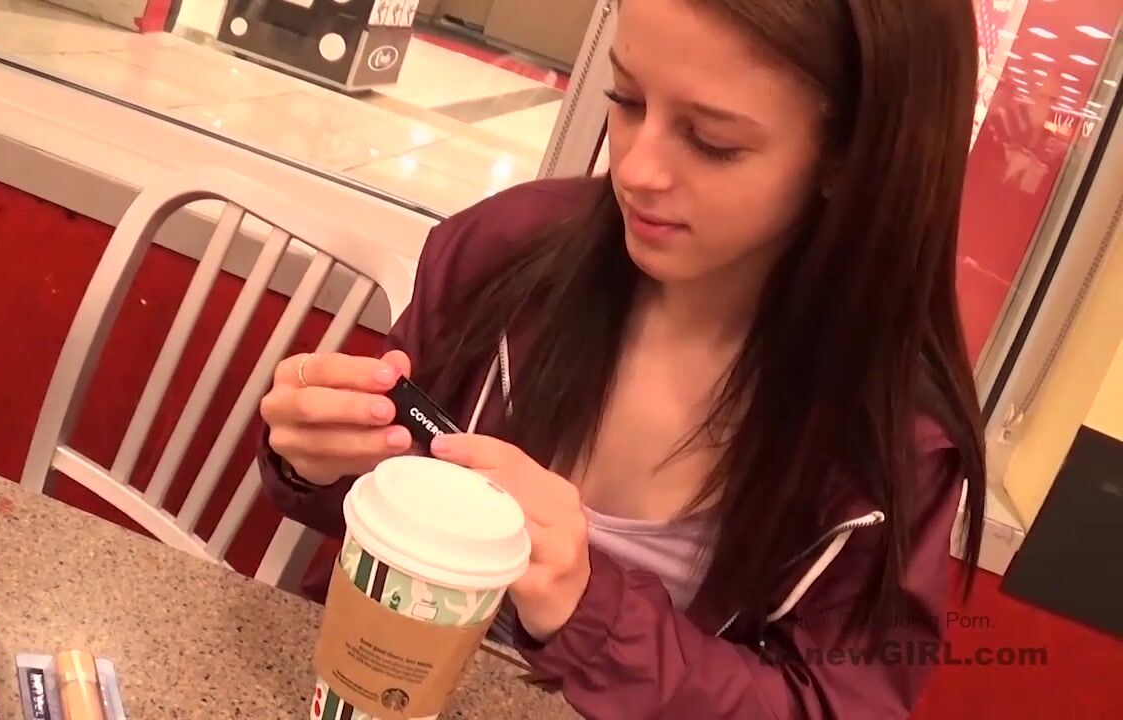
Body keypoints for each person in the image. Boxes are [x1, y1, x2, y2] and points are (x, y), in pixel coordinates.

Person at [258, 0, 988, 717]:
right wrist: (317, 460)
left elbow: (830, 704)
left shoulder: (889, 446)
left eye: (711, 141)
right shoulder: (505, 253)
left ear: (851, 157)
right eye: (627, 100)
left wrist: (589, 610)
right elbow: (372, 527)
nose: (636, 170)